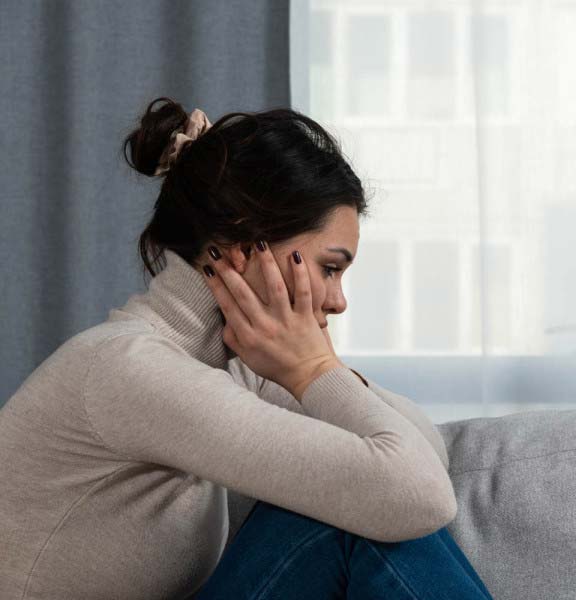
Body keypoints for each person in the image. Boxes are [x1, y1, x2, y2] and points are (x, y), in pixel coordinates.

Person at [0, 97, 494, 600]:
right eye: (329, 268)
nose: (339, 300)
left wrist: (317, 369)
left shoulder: (233, 368)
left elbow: (427, 459)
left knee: (365, 498)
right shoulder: (129, 369)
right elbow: (418, 494)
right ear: (242, 246)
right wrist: (313, 368)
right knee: (354, 515)